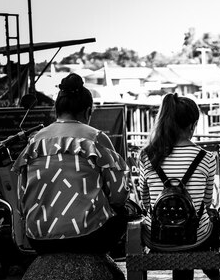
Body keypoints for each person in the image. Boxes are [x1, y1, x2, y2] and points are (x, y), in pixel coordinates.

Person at [13, 73, 131, 256]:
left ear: (57, 110)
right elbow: (118, 195)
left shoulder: (34, 141)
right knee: (125, 213)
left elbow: (21, 199)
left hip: (38, 239)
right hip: (87, 238)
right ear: (87, 111)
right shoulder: (95, 137)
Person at [138, 93, 220, 280]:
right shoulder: (207, 158)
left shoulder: (147, 156)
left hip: (156, 238)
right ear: (192, 125)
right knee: (204, 222)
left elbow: (145, 201)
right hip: (194, 239)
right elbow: (207, 202)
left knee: (183, 240)